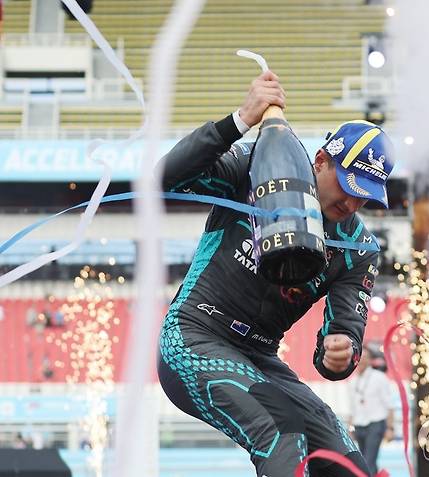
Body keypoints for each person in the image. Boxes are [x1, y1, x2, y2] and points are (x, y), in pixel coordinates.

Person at [156, 70, 394, 477]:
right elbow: (164, 177)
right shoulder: (259, 167)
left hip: (260, 356)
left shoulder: (359, 249)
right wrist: (238, 121)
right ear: (321, 160)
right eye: (349, 185)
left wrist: (341, 350)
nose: (353, 204)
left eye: (366, 196)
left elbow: (338, 345)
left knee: (347, 462)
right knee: (282, 431)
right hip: (193, 336)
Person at [347, 341, 396, 475]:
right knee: (363, 461)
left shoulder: (379, 378)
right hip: (359, 424)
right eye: (359, 357)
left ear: (369, 360)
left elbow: (389, 405)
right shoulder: (353, 381)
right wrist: (350, 428)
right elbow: (352, 408)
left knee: (369, 461)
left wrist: (390, 428)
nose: (361, 361)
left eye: (365, 357)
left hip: (375, 424)